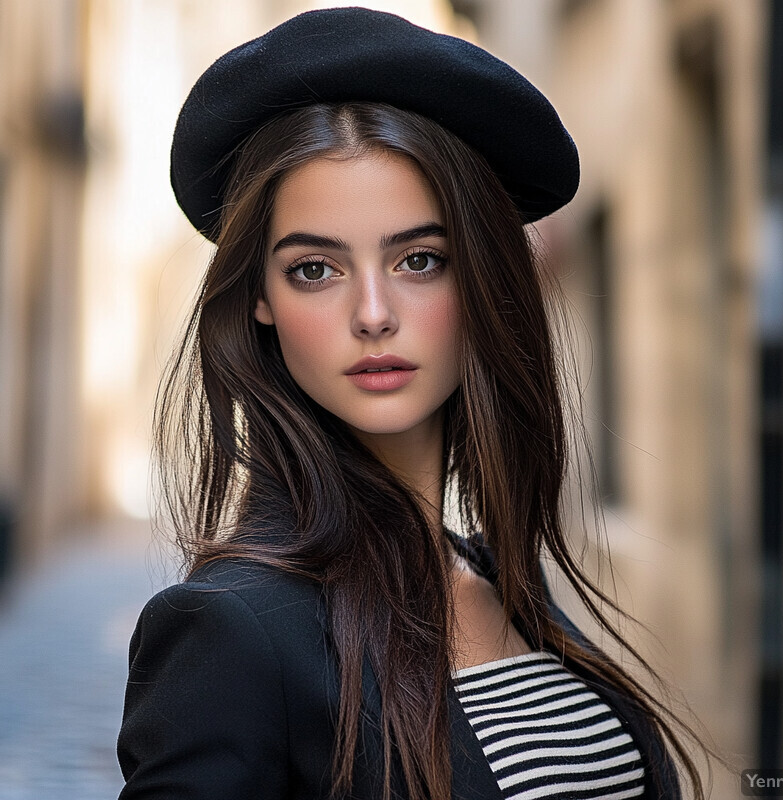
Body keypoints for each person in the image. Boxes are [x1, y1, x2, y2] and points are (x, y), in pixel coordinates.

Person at [117, 8, 711, 799]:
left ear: (481, 280)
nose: (372, 312)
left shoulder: (498, 576)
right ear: (258, 297)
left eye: (420, 259)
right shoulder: (231, 634)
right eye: (315, 270)